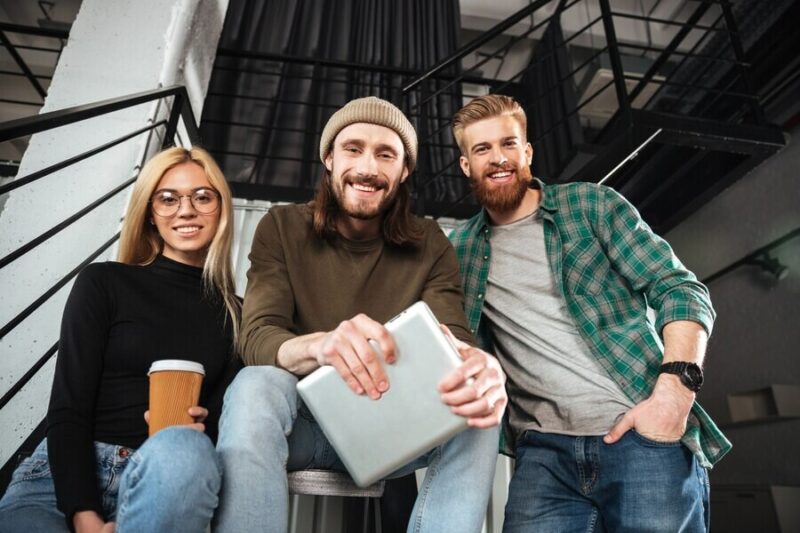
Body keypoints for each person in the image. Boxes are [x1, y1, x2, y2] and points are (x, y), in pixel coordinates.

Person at [214, 96, 507, 533]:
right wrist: (323, 345)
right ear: (329, 158)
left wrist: (479, 366)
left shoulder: (430, 242)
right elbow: (258, 337)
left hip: (390, 427)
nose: (368, 167)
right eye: (353, 149)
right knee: (257, 381)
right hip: (301, 426)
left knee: (480, 405)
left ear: (403, 170)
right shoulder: (280, 226)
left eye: (385, 154)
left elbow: (455, 338)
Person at [448, 94, 732, 533]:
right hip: (543, 455)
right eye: (482, 149)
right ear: (466, 165)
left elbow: (678, 288)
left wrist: (674, 396)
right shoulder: (460, 250)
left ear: (527, 152)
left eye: (508, 144)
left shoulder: (591, 206)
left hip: (641, 434)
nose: (498, 158)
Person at [0, 147, 242, 533]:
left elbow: (221, 432)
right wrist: (85, 517)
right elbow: (67, 408)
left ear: (221, 208)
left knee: (188, 454)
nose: (186, 210)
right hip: (57, 483)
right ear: (150, 212)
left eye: (202, 196)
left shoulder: (237, 315)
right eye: (168, 198)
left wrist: (200, 432)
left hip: (163, 481)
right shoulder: (104, 282)